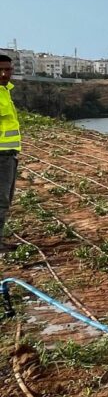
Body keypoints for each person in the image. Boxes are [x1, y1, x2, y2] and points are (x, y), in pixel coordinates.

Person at [0, 55, 20, 253]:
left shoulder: (5, 92)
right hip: (1, 156)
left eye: (8, 69)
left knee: (5, 200)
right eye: (1, 70)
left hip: (9, 155)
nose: (5, 74)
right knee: (0, 201)